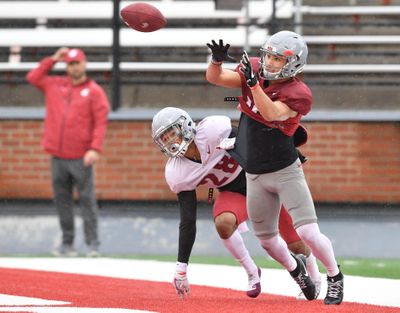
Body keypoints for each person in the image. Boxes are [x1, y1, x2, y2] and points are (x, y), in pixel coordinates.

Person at [205, 31, 344, 305]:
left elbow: (271, 113)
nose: (270, 61)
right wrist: (216, 62)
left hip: (284, 170)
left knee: (307, 232)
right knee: (267, 239)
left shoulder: (298, 93)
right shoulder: (255, 70)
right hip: (255, 173)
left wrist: (255, 85)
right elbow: (216, 79)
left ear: (293, 64)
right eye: (268, 55)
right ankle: (297, 271)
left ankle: (335, 276)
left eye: (278, 59)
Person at [151, 106, 321, 299]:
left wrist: (289, 157)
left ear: (185, 126)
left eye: (172, 134)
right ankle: (252, 271)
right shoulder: (177, 172)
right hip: (234, 192)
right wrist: (181, 266)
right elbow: (188, 221)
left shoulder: (212, 130)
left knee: (295, 243)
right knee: (223, 223)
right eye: (164, 139)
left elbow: (252, 141)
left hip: (261, 180)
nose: (171, 142)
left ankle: (314, 276)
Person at [26, 47, 110, 257]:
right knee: (62, 201)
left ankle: (93, 244)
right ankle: (67, 243)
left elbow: (101, 123)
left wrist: (94, 148)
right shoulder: (55, 85)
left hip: (81, 157)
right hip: (57, 156)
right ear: (66, 65)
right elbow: (33, 77)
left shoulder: (93, 91)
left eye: (77, 63)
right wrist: (52, 58)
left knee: (87, 201)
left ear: (84, 64)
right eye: (70, 64)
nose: (74, 67)